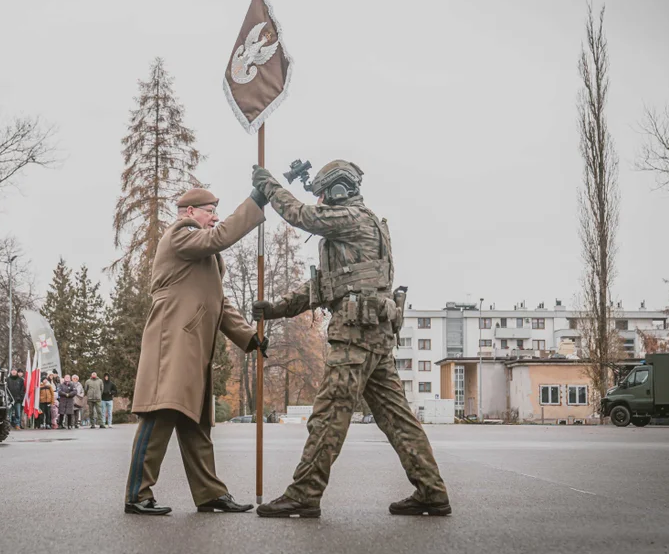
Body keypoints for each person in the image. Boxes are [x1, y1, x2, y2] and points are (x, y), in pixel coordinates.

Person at [250, 161, 451, 518]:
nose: (324, 200)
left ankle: (304, 493)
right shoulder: (359, 228)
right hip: (374, 338)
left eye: (325, 193)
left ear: (339, 190)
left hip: (356, 339)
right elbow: (325, 287)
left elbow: (301, 215)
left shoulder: (352, 218)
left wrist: (269, 186)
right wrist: (276, 308)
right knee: (397, 418)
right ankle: (431, 491)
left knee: (329, 415)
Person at [124, 186, 268, 516]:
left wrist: (250, 337)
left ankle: (209, 494)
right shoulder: (181, 234)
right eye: (209, 210)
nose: (215, 217)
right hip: (172, 341)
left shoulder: (203, 252)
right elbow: (218, 238)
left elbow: (219, 303)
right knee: (160, 413)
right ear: (190, 212)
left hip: (191, 345)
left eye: (217, 211)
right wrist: (255, 203)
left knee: (196, 424)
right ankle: (137, 495)